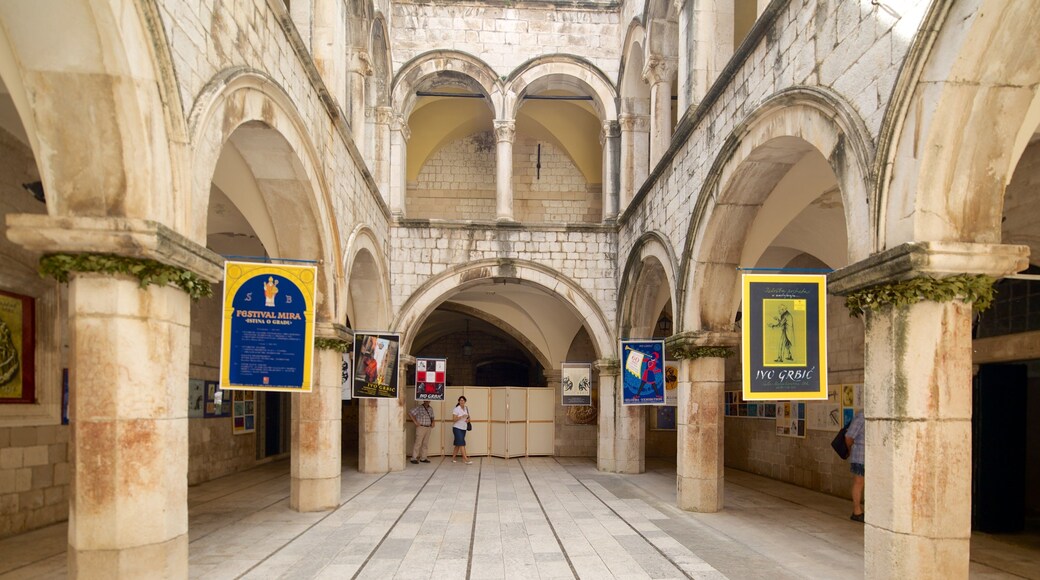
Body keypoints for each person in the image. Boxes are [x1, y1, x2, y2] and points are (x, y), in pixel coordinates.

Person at [845, 410, 866, 522]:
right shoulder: (861, 416)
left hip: (872, 456)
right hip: (860, 455)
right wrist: (849, 449)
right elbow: (849, 437)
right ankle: (856, 511)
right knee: (859, 482)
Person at [409, 400, 435, 464]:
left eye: (428, 400)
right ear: (424, 400)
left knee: (425, 443)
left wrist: (433, 422)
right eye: (426, 400)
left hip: (428, 427)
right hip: (421, 427)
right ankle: (414, 458)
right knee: (418, 443)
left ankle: (423, 458)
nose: (427, 401)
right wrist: (415, 421)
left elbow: (432, 417)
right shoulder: (419, 407)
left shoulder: (430, 408)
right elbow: (410, 413)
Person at [451, 396, 473, 465]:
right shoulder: (456, 409)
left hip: (464, 428)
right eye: (460, 400)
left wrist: (468, 420)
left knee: (458, 444)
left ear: (465, 401)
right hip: (457, 428)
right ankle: (466, 459)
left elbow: (469, 418)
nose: (462, 401)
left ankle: (453, 458)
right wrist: (461, 417)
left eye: (463, 400)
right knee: (461, 443)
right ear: (458, 401)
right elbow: (454, 419)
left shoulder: (466, 408)